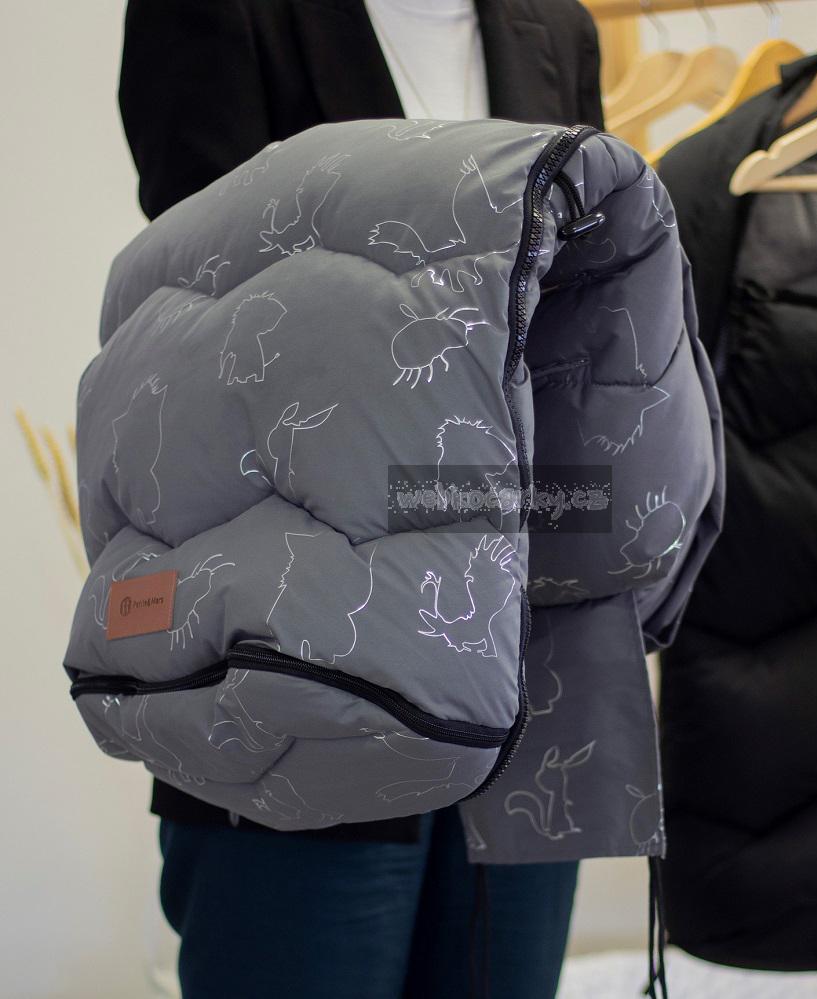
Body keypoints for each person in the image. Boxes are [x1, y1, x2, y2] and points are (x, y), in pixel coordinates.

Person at [117, 2, 604, 996]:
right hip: (299, 664)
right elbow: (213, 348)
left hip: (522, 671)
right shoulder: (219, 14)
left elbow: (578, 341)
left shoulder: (557, 29)